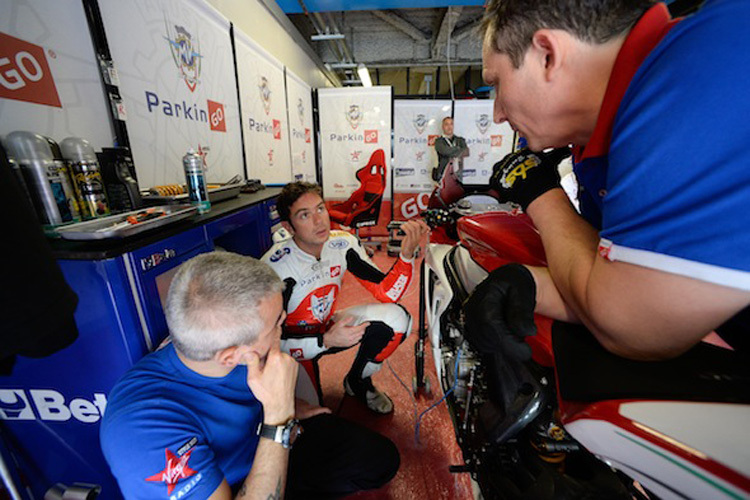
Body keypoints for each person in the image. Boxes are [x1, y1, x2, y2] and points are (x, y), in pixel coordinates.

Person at [465, 0, 750, 362]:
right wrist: (529, 283)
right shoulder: (613, 131)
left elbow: (632, 324)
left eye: (497, 84)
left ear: (547, 56)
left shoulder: (698, 74)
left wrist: (540, 193)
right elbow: (611, 282)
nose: (498, 114)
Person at [100, 252, 399, 499]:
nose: (283, 327)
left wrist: (290, 408)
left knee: (379, 460)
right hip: (241, 481)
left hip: (267, 438)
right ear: (232, 356)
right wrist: (279, 418)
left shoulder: (224, 354)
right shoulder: (142, 430)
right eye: (276, 325)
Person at [262, 182, 430, 414]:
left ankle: (357, 381)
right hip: (292, 347)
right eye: (304, 215)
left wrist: (407, 254)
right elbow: (264, 345)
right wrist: (325, 342)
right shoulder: (276, 267)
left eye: (320, 209)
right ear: (288, 227)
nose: (318, 220)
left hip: (329, 326)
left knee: (398, 318)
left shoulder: (342, 243)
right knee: (314, 422)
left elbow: (388, 292)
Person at [433, 117, 469, 182]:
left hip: (458, 175)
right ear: (442, 127)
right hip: (443, 174)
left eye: (451, 124)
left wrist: (451, 151)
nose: (449, 127)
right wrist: (458, 149)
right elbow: (445, 151)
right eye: (446, 124)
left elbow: (466, 152)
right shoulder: (438, 141)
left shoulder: (460, 140)